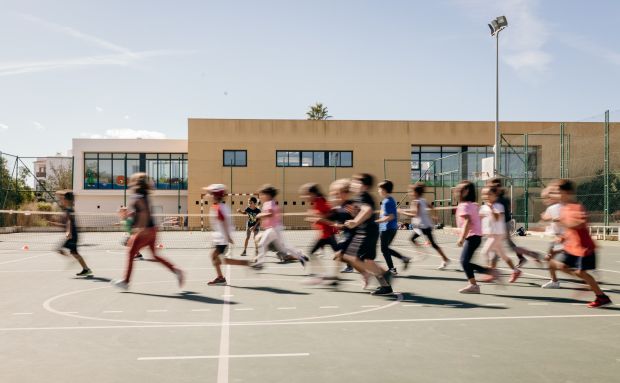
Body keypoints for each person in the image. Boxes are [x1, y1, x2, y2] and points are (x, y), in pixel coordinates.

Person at [112, 173, 184, 290]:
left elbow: (144, 212)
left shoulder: (137, 196)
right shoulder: (144, 195)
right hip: (153, 229)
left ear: (136, 182)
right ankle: (176, 270)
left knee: (131, 253)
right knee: (154, 255)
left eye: (132, 179)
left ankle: (126, 281)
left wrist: (141, 227)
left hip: (145, 230)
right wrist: (130, 215)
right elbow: (141, 211)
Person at [547, 179, 611, 308]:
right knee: (560, 265)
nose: (555, 195)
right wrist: (562, 238)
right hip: (572, 247)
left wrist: (560, 221)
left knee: (581, 273)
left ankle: (601, 296)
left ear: (567, 192)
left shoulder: (577, 207)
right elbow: (569, 229)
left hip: (584, 248)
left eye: (557, 192)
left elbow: (580, 224)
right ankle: (589, 284)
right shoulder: (564, 209)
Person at [344, 173, 393, 295]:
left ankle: (385, 284)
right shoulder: (360, 197)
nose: (353, 184)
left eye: (356, 182)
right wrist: (354, 215)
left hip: (367, 232)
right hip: (365, 232)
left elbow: (367, 210)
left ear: (364, 186)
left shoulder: (363, 196)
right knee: (358, 258)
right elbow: (363, 212)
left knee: (363, 260)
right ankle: (384, 276)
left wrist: (355, 221)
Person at [205, 184, 254, 285]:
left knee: (216, 257)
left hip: (222, 238)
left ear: (215, 195)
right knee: (220, 259)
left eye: (211, 194)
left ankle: (222, 277)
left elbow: (224, 222)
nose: (208, 195)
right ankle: (223, 276)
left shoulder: (218, 207)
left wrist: (227, 236)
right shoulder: (220, 206)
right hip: (221, 238)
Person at [455, 181, 498, 294]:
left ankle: (479, 280)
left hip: (472, 237)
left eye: (459, 190)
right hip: (476, 237)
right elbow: (474, 219)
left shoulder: (464, 206)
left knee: (464, 262)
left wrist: (462, 238)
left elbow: (468, 222)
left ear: (466, 192)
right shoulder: (472, 205)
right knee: (465, 262)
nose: (456, 191)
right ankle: (477, 281)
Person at [487, 178, 541, 267]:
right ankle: (526, 256)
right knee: (508, 246)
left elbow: (500, 214)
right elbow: (510, 208)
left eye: (490, 186)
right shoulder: (503, 198)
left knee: (497, 247)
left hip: (502, 225)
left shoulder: (499, 200)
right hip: (504, 224)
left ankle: (491, 269)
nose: (489, 188)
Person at [253, 184, 308, 269]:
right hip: (274, 228)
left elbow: (270, 214)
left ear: (268, 195)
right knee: (283, 246)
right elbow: (275, 213)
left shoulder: (269, 203)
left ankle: (260, 263)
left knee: (262, 244)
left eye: (262, 194)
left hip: (273, 228)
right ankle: (301, 257)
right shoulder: (270, 203)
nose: (261, 196)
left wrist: (259, 215)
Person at [399, 182, 450, 270]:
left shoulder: (417, 202)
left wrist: (401, 212)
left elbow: (415, 214)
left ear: (416, 193)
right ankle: (443, 258)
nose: (410, 193)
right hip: (423, 226)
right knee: (431, 243)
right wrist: (435, 215)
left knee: (415, 240)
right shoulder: (422, 200)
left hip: (423, 226)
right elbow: (432, 207)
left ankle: (424, 253)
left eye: (411, 192)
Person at [479, 186, 521, 283]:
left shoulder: (498, 206)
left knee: (485, 252)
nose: (486, 196)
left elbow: (497, 218)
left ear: (495, 195)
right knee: (503, 256)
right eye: (484, 194)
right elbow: (479, 220)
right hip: (490, 235)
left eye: (489, 194)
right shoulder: (483, 207)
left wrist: (491, 208)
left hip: (498, 234)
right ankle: (516, 271)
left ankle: (491, 273)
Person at [375, 180, 410, 274]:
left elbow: (390, 216)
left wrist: (375, 222)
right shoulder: (389, 200)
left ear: (384, 190)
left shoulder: (387, 201)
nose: (378, 190)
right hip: (390, 228)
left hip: (387, 228)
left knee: (384, 249)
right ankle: (403, 258)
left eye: (379, 189)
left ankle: (392, 269)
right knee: (386, 248)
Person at [55, 191, 93, 277]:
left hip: (72, 235)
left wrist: (68, 231)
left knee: (60, 249)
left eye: (63, 199)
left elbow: (69, 221)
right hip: (73, 235)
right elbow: (68, 222)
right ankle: (86, 269)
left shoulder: (69, 210)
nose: (62, 200)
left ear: (67, 200)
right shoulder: (69, 208)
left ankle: (73, 261)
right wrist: (56, 224)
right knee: (74, 252)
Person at [537, 183, 564, 288]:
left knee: (553, 259)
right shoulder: (553, 208)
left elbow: (560, 220)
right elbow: (550, 222)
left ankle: (555, 281)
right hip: (558, 238)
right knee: (550, 258)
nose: (545, 200)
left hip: (563, 238)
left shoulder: (557, 207)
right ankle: (554, 280)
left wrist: (548, 219)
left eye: (546, 197)